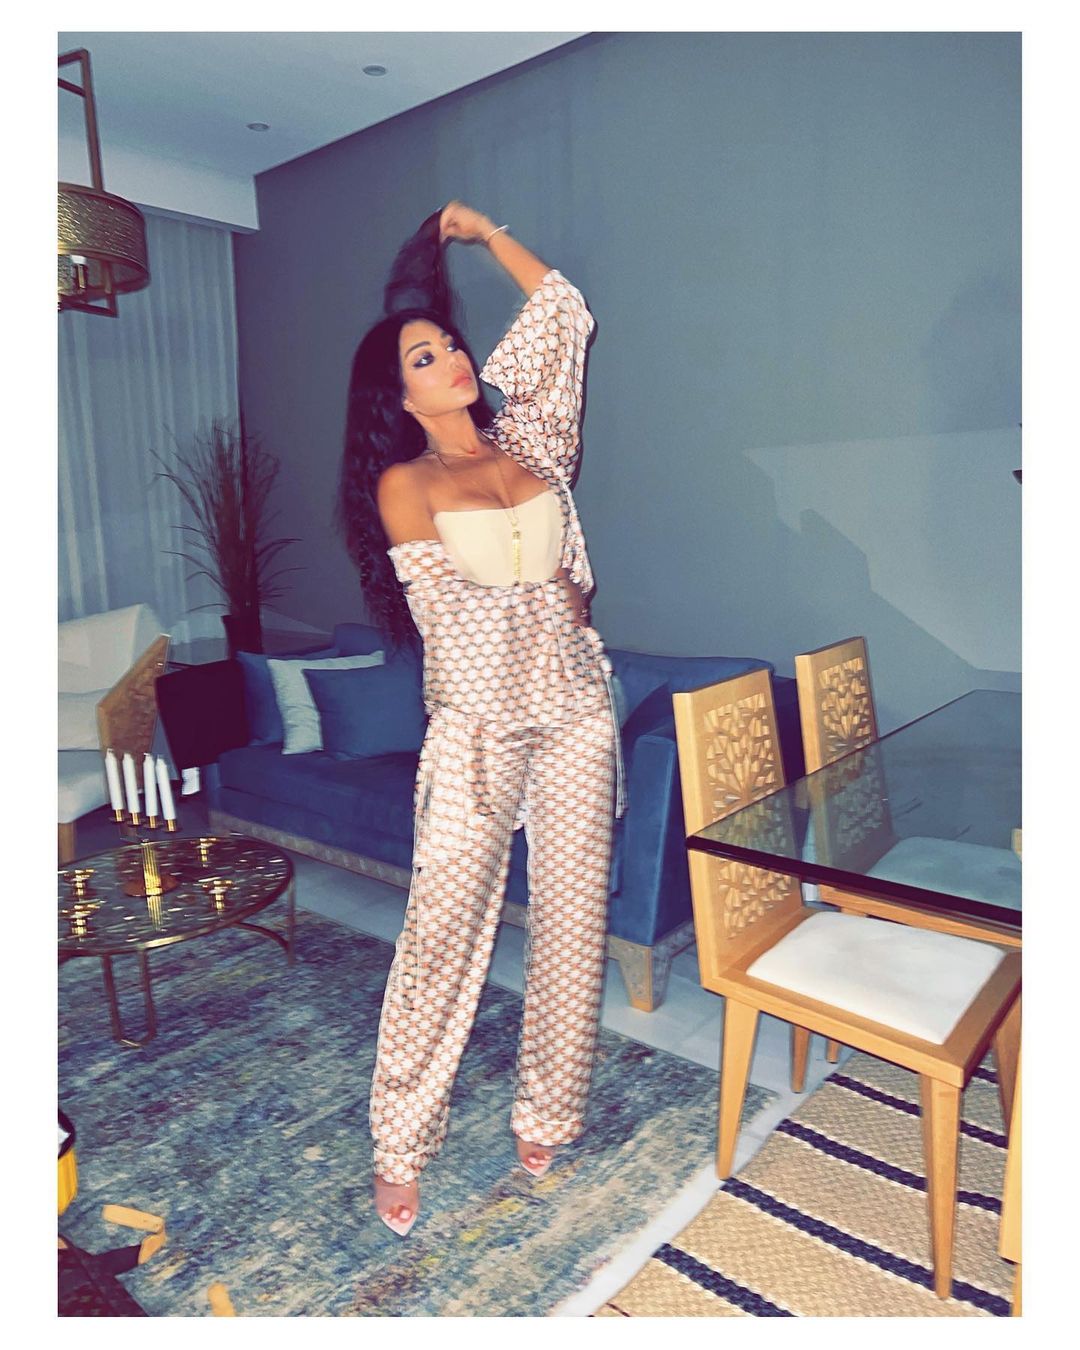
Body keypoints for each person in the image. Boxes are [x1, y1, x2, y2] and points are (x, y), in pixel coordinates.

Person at [338, 201, 626, 1237]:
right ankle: (401, 1141)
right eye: (425, 357)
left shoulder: (534, 445)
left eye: (452, 346)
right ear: (398, 394)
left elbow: (565, 314)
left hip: (576, 712)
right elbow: (461, 620)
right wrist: (554, 593)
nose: (454, 360)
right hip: (477, 728)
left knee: (573, 921)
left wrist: (486, 233)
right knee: (442, 932)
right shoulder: (405, 485)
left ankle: (548, 1109)